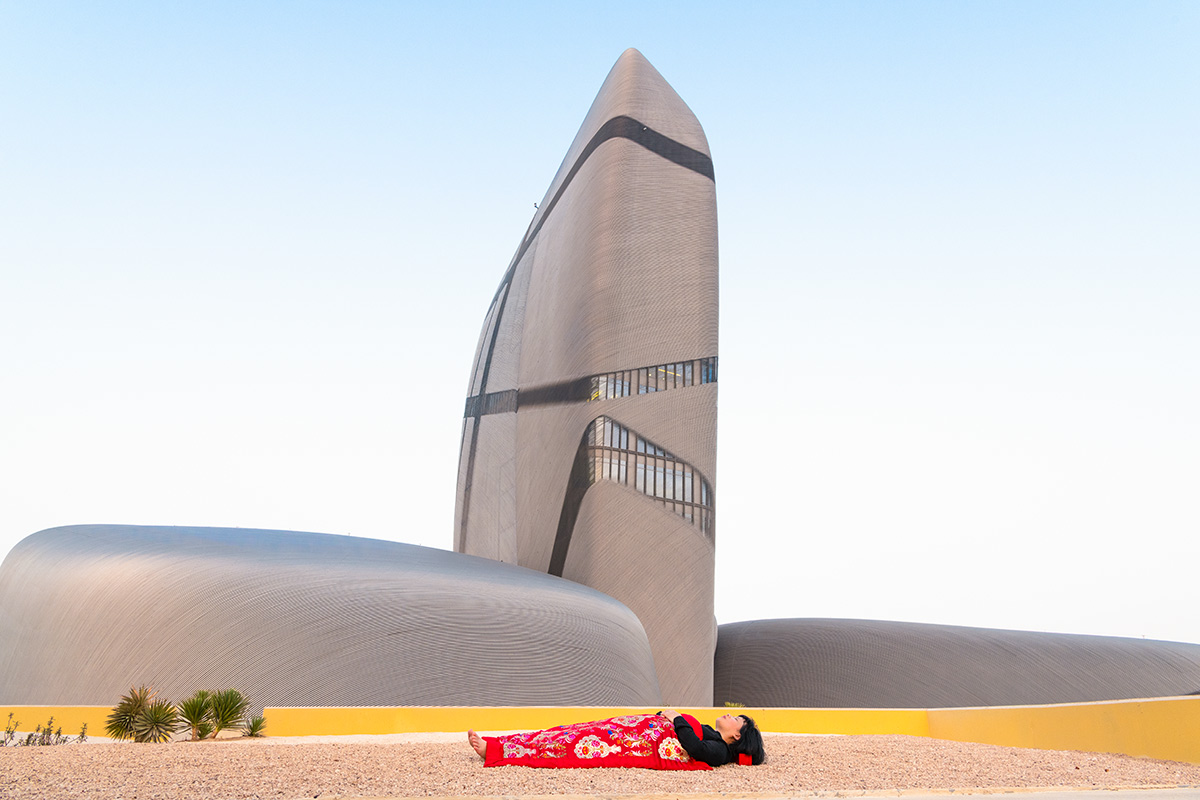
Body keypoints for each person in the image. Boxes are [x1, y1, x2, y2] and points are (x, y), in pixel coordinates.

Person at [466, 710, 764, 770]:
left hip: (631, 741)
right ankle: (502, 743)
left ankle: (497, 749)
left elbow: (694, 748)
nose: (728, 715)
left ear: (736, 735)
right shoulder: (715, 735)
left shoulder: (720, 751)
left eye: (735, 718)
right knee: (568, 732)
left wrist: (675, 718)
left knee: (569, 744)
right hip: (632, 728)